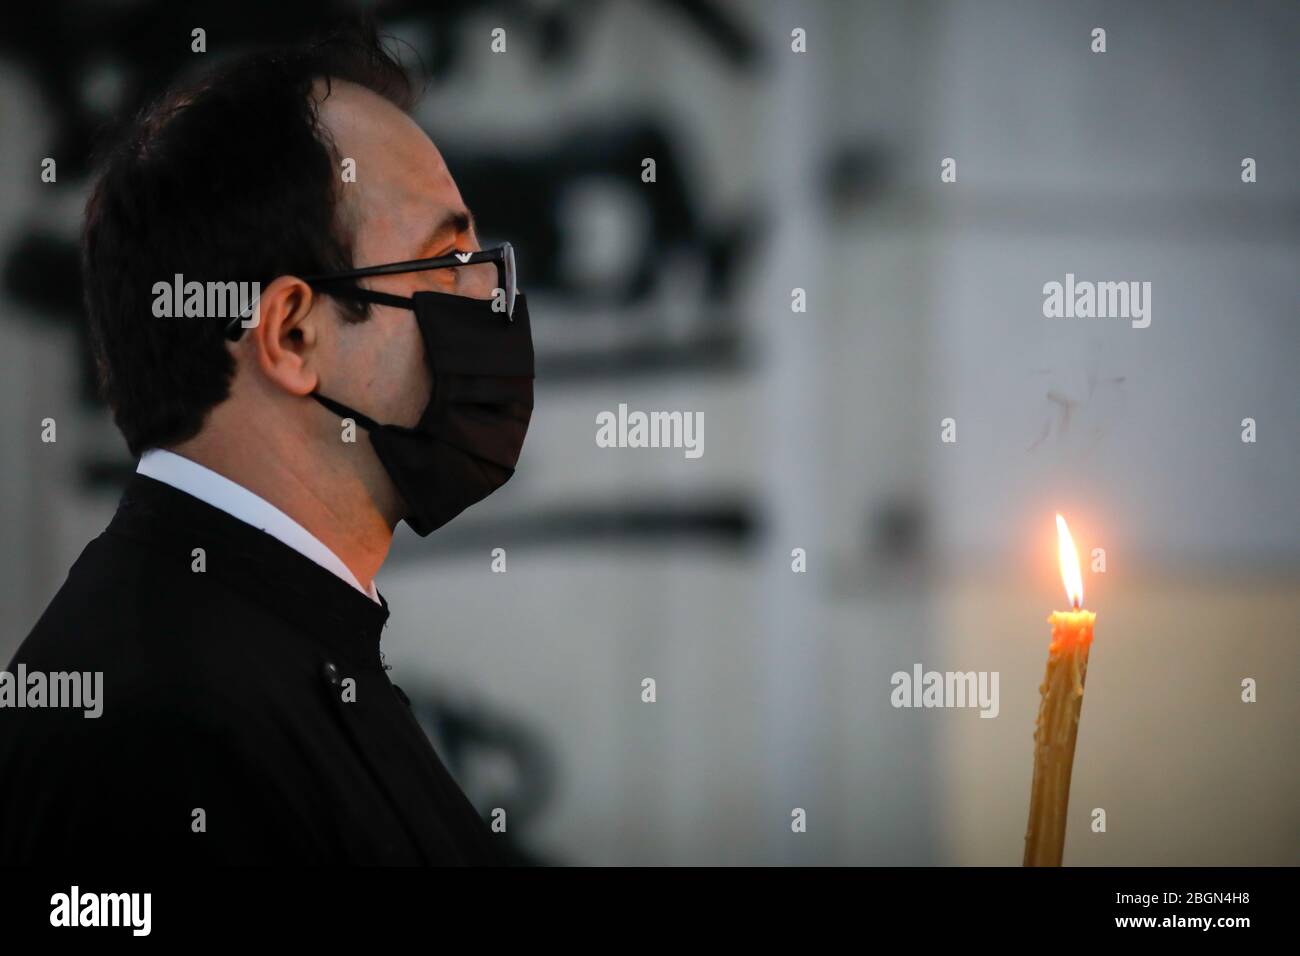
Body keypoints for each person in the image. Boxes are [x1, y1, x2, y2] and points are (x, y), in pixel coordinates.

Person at [0, 21, 533, 864]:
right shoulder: (159, 728)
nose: (489, 295)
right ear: (289, 335)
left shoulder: (280, 639)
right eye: (445, 260)